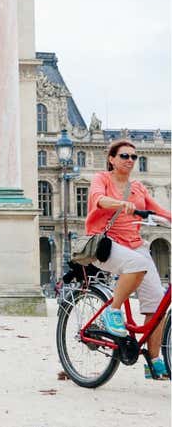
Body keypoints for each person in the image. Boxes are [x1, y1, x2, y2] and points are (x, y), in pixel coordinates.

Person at [85, 140, 171, 378]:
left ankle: (154, 362)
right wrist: (121, 204)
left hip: (134, 244)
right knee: (138, 263)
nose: (130, 160)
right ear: (111, 159)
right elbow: (98, 199)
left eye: (134, 157)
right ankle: (112, 312)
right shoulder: (101, 178)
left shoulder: (139, 187)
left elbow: (157, 211)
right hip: (105, 243)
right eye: (124, 156)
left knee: (157, 304)